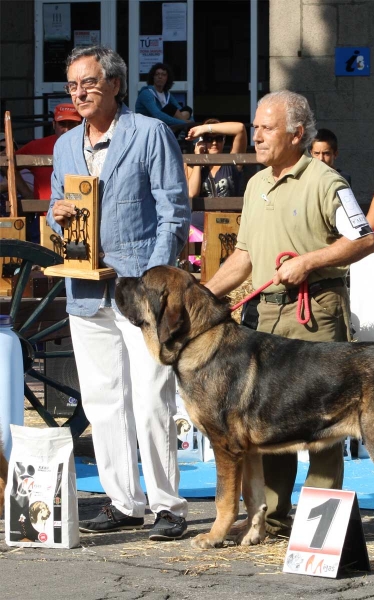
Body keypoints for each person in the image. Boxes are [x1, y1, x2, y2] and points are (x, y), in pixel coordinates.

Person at [204, 90, 374, 535]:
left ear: (297, 135)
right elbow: (243, 256)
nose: (256, 136)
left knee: (325, 417)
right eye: (256, 127)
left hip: (316, 312)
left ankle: (321, 528)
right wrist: (204, 293)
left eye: (266, 128)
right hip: (266, 317)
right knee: (268, 416)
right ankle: (275, 519)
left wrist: (309, 261)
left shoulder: (326, 181)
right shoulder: (257, 183)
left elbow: (364, 239)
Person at [47, 46, 191, 540]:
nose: (79, 93)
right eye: (71, 85)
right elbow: (52, 208)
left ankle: (168, 504)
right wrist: (57, 215)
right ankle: (123, 500)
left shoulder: (149, 133)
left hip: (139, 292)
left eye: (87, 83)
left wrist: (152, 280)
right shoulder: (65, 145)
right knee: (103, 398)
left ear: (114, 85)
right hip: (84, 287)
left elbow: (173, 209)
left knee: (152, 396)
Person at [15, 103, 82, 242]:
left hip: (80, 218)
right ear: (53, 125)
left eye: (73, 124)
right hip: (43, 218)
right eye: (62, 124)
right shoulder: (37, 145)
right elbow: (8, 165)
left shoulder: (90, 144)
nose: (67, 129)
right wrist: (27, 193)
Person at [184, 119, 247, 231]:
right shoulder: (193, 168)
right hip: (201, 226)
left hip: (229, 225)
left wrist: (205, 128)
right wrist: (199, 157)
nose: (214, 143)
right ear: (202, 141)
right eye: (209, 139)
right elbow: (192, 193)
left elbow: (240, 129)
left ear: (223, 141)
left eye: (218, 138)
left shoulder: (231, 161)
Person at [135, 62, 193, 132]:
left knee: (187, 109)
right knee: (170, 108)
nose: (160, 77)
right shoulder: (146, 93)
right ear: (153, 77)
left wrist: (191, 121)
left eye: (163, 75)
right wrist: (184, 123)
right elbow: (157, 115)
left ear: (167, 78)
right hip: (149, 128)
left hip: (164, 126)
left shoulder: (167, 94)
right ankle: (185, 130)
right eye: (157, 74)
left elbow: (180, 110)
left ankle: (184, 130)